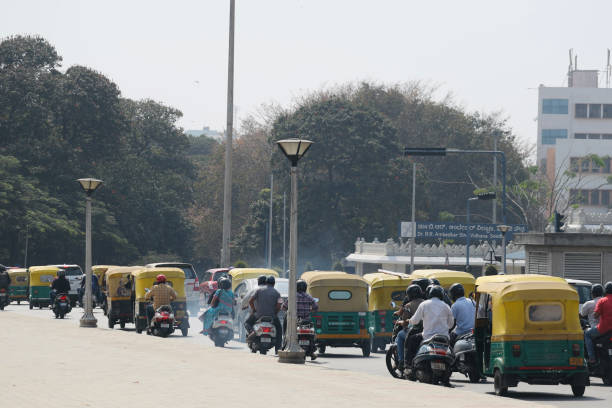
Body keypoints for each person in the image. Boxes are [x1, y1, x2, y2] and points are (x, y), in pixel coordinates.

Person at [405, 286, 454, 370]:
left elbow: (415, 321)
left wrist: (409, 321)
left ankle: (408, 365)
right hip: (444, 337)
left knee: (412, 339)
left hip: (427, 337)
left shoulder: (424, 304)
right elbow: (450, 325)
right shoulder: (446, 306)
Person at [248, 275, 283, 353]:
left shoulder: (258, 290)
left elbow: (250, 301)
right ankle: (278, 349)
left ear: (266, 282)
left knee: (248, 322)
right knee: (279, 330)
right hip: (272, 316)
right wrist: (275, 313)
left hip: (258, 315)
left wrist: (254, 309)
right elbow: (279, 305)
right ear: (274, 284)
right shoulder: (277, 293)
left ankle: (252, 334)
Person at [395, 284, 424, 370]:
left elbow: (405, 322)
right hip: (427, 330)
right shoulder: (426, 302)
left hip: (415, 331)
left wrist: (399, 322)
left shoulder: (408, 305)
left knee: (400, 334)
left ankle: (401, 361)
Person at [585, 281, 612, 363]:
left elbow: (595, 315)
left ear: (605, 291)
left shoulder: (602, 301)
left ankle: (592, 358)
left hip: (603, 329)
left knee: (587, 334)